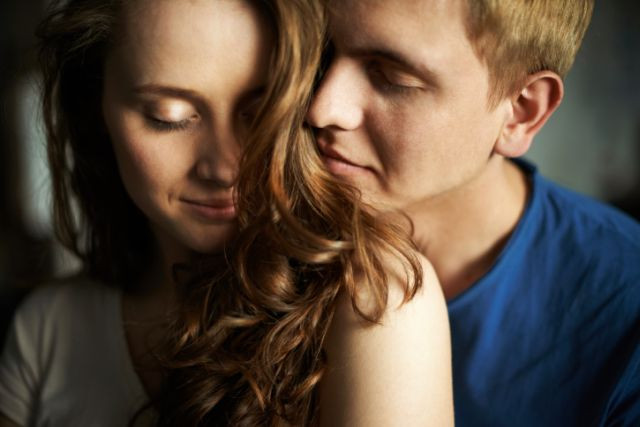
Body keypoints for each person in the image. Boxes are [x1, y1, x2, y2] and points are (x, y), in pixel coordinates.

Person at [0, 0, 453, 426]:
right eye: (169, 116)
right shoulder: (47, 327)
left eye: (261, 113)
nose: (223, 168)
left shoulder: (375, 299)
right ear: (95, 108)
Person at [306, 0, 640, 425]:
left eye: (392, 77)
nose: (323, 108)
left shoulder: (625, 316)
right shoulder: (250, 223)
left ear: (521, 112)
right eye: (322, 53)